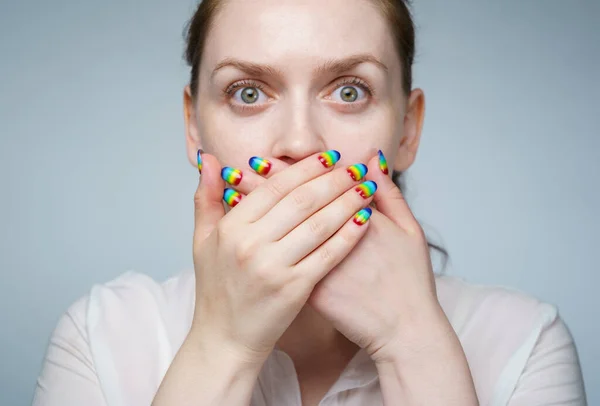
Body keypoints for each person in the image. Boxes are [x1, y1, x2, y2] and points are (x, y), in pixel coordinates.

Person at [33, 0, 587, 405]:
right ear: (193, 127)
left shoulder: (523, 343)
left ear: (407, 130)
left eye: (349, 90)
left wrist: (413, 343)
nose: (300, 143)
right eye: (247, 93)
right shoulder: (101, 337)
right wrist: (222, 345)